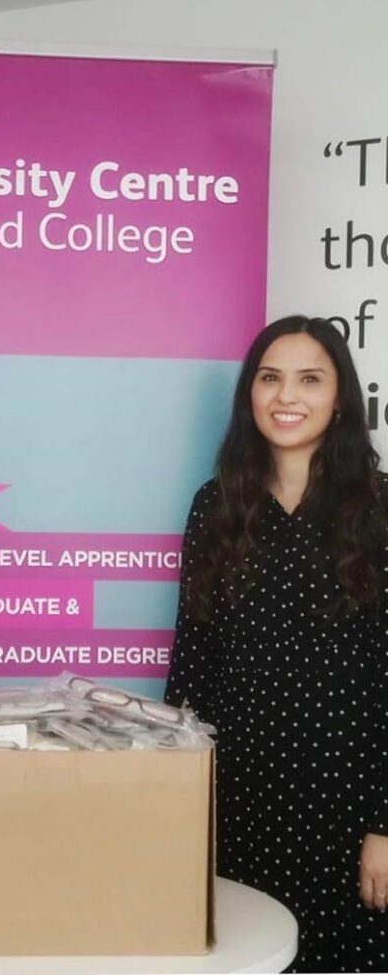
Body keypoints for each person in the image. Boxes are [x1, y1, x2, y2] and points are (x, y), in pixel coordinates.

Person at [166, 315, 388, 972]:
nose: (285, 396)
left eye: (308, 380)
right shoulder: (215, 505)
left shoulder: (377, 510)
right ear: (249, 395)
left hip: (347, 803)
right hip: (239, 797)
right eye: (269, 378)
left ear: (340, 398)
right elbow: (192, 664)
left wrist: (384, 823)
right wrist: (177, 802)